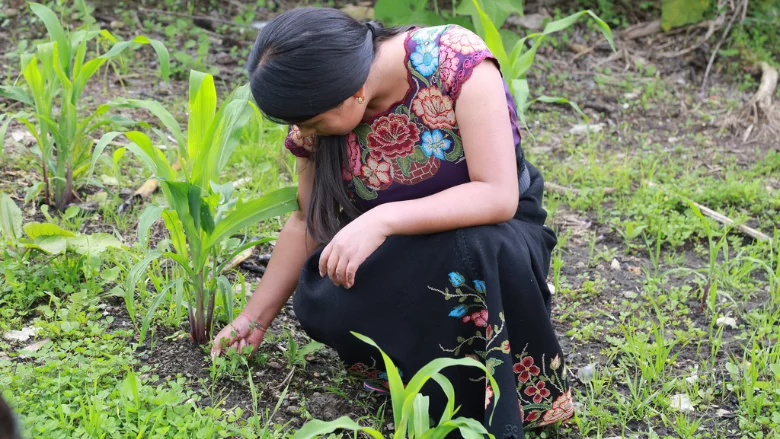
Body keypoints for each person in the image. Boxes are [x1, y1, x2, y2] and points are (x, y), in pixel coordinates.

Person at [212, 7, 573, 437]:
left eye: (309, 121)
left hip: (493, 234)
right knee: (320, 295)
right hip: (403, 247)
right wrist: (254, 319)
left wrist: (382, 218)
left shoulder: (452, 61)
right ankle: (407, 368)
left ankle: (486, 401)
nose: (301, 130)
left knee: (474, 251)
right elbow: (307, 220)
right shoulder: (321, 113)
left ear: (354, 94)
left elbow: (498, 196)